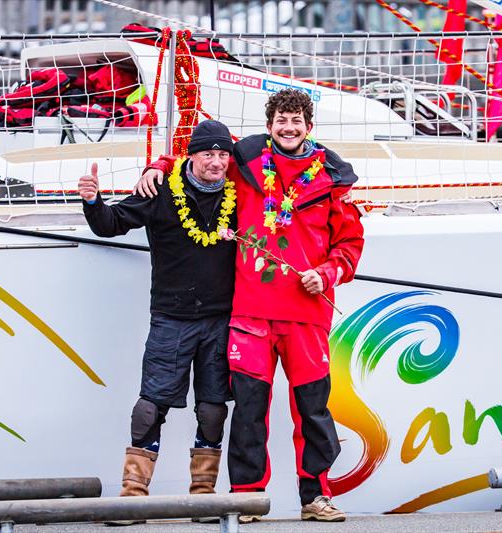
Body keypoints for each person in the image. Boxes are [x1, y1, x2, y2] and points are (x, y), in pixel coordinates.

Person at [137, 89, 365, 522]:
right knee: (248, 410)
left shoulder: (334, 175)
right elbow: (202, 154)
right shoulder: (245, 159)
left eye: (297, 120)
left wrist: (329, 273)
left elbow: (350, 244)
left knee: (312, 410)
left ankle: (315, 497)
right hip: (250, 315)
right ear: (270, 124)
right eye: (281, 119)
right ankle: (246, 496)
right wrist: (159, 165)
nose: (289, 127)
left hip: (307, 316)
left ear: (309, 126)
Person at [78, 120, 237, 506]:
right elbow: (111, 224)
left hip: (221, 319)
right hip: (172, 317)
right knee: (150, 408)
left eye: (222, 155)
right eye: (207, 154)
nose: (215, 163)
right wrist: (92, 200)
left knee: (214, 409)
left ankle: (203, 497)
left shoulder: (240, 194)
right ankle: (133, 494)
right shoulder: (161, 189)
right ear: (192, 155)